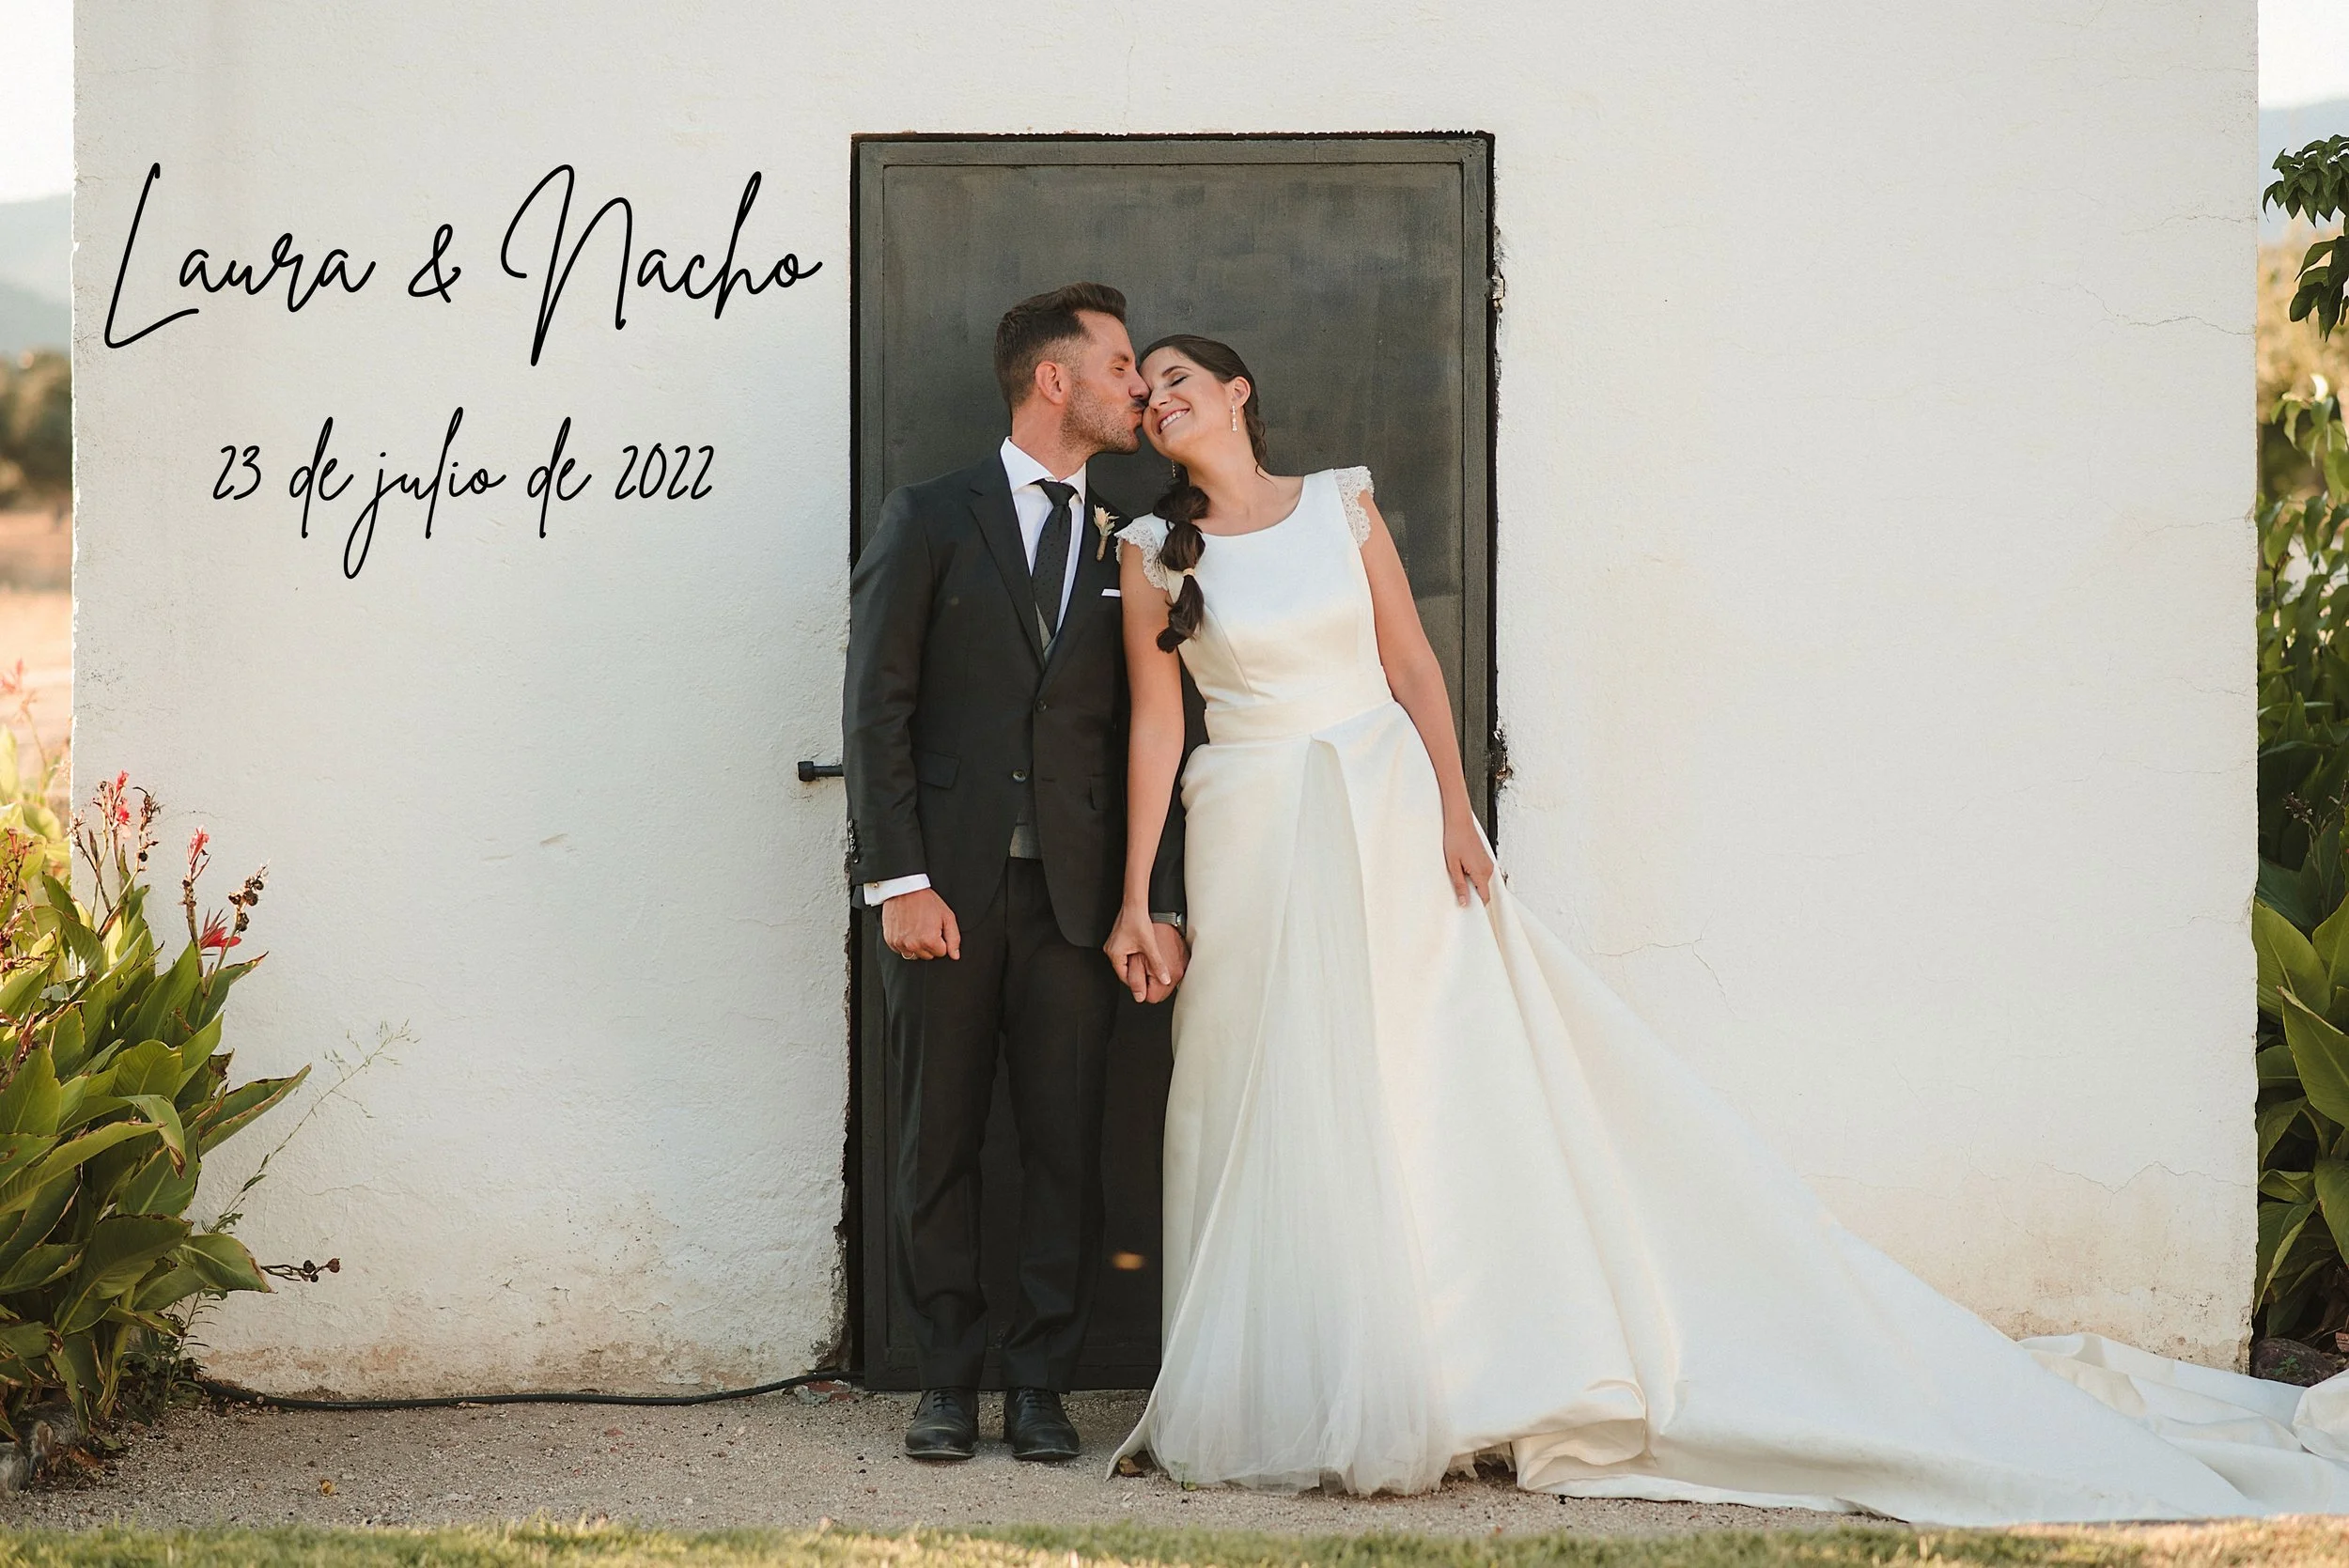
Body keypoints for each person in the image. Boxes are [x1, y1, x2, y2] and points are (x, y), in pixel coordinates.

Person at [1101, 333, 2349, 1522]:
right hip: (1253, 825)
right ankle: (1278, 1376)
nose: (1161, 397)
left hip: (1381, 807)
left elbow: (1416, 667)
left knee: (1416, 1070)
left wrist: (1455, 810)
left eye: (1180, 376)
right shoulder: (1153, 546)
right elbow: (1159, 723)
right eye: (1144, 388)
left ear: (1238, 389)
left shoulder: (1340, 504)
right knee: (1261, 1076)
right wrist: (1136, 892)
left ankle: (1439, 1368)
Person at [844, 284, 1186, 1464]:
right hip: (946, 891)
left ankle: (1039, 1379)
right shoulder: (929, 517)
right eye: (1123, 363)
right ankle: (947, 1376)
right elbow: (876, 708)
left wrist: (1154, 901)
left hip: (1079, 902)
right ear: (1056, 379)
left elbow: (1156, 733)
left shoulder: (1135, 535)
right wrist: (900, 882)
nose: (1139, 385)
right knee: (935, 1136)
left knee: (1064, 1137)